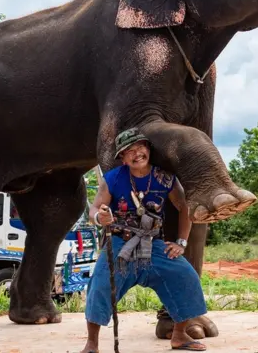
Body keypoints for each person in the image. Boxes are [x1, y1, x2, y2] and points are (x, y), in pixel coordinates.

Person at [80, 127, 208, 353]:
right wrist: (100, 217)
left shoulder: (165, 178)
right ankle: (92, 345)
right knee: (100, 286)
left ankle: (179, 335)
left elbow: (184, 206)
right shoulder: (113, 179)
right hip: (120, 243)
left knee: (185, 277)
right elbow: (94, 210)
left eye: (140, 147)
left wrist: (181, 242)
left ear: (148, 149)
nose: (136, 153)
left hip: (154, 244)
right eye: (129, 150)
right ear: (122, 157)